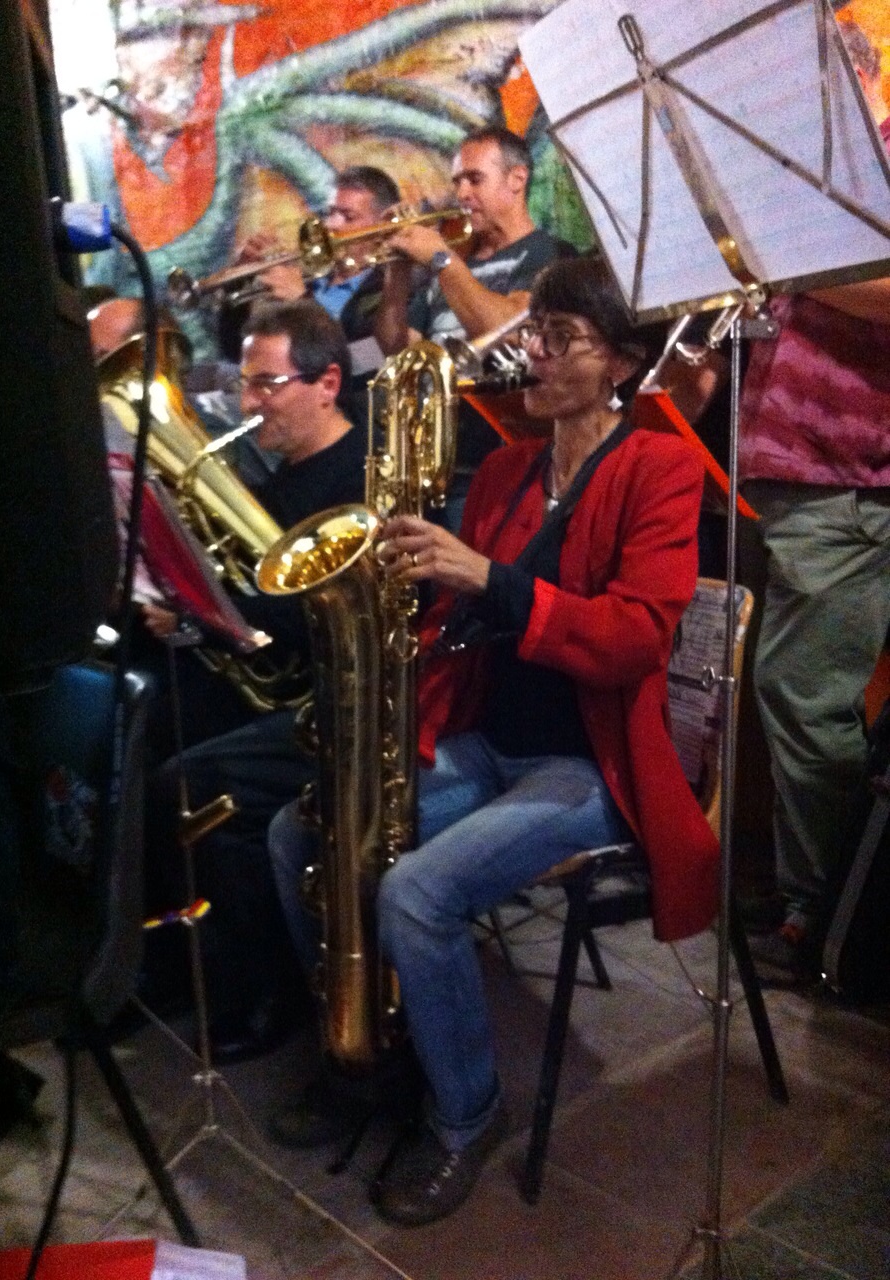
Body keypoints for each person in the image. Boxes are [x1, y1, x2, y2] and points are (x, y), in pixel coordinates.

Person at [267, 256, 719, 1226]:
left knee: (417, 890)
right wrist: (404, 587)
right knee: (298, 831)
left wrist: (486, 578)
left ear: (620, 362)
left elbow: (635, 636)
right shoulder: (510, 469)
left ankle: (465, 1114)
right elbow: (464, 613)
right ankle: (364, 1052)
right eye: (534, 331)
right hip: (485, 738)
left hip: (589, 762)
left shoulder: (659, 466)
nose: (534, 352)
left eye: (562, 337)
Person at [143, 299, 369, 1063]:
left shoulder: (359, 475)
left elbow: (318, 614)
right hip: (272, 677)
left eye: (266, 384)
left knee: (194, 782)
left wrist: (209, 613)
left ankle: (270, 988)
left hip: (330, 695)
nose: (248, 404)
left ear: (327, 383)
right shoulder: (280, 479)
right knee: (142, 728)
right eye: (245, 384)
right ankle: (174, 961)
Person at [739, 273, 890, 981]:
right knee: (792, 696)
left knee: (805, 698)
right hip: (805, 477)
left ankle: (829, 921)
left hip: (844, 479)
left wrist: (788, 260)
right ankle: (810, 896)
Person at [373, 126, 574, 528]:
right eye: (457, 182)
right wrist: (396, 276)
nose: (462, 193)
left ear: (517, 179)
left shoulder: (548, 254)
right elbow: (398, 347)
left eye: (475, 179)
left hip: (495, 462)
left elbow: (510, 329)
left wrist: (442, 260)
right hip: (429, 461)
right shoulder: (455, 263)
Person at [236, 166, 401, 409]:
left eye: (348, 217)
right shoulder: (308, 275)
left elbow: (364, 363)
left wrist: (304, 301)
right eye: (330, 213)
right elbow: (233, 347)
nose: (332, 225)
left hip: (337, 410)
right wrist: (241, 277)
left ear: (382, 227)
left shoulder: (392, 289)